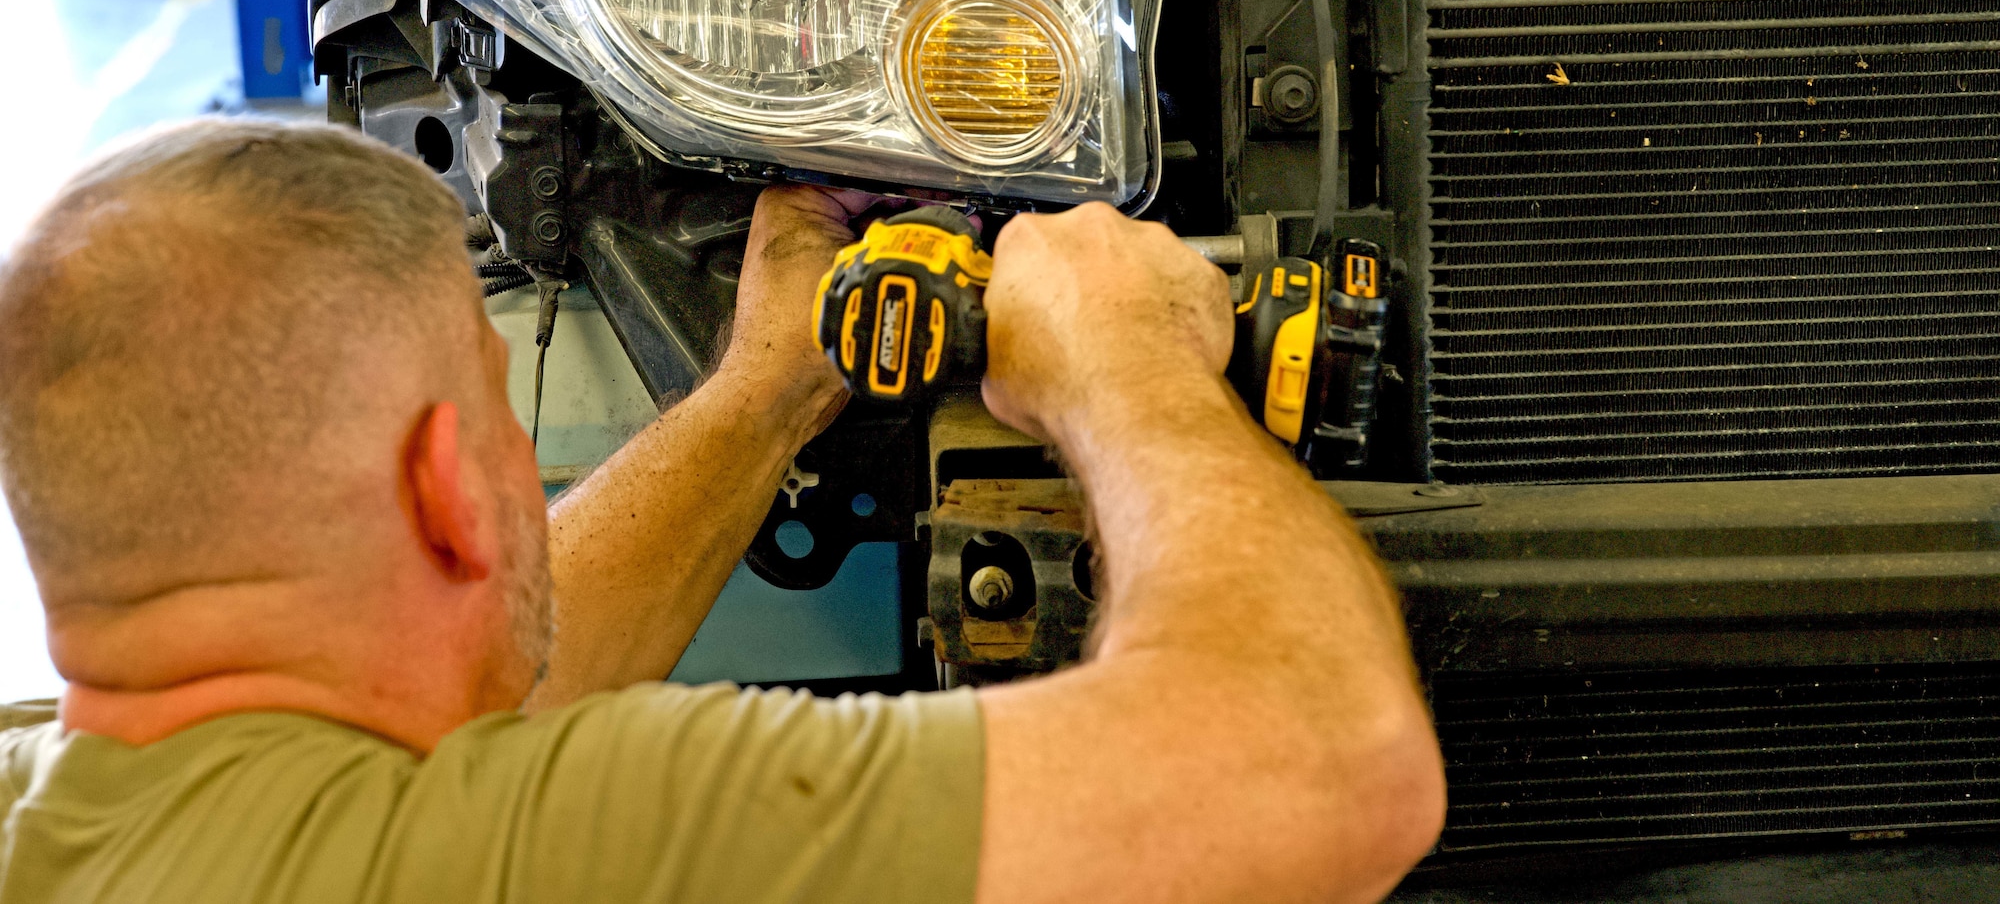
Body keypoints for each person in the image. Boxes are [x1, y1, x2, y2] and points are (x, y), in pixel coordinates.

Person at [0, 118, 1444, 904]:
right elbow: (1330, 772)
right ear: (451, 489)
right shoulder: (556, 845)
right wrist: (1125, 364)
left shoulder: (49, 807)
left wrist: (765, 386)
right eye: (501, 404)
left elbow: (467, 676)